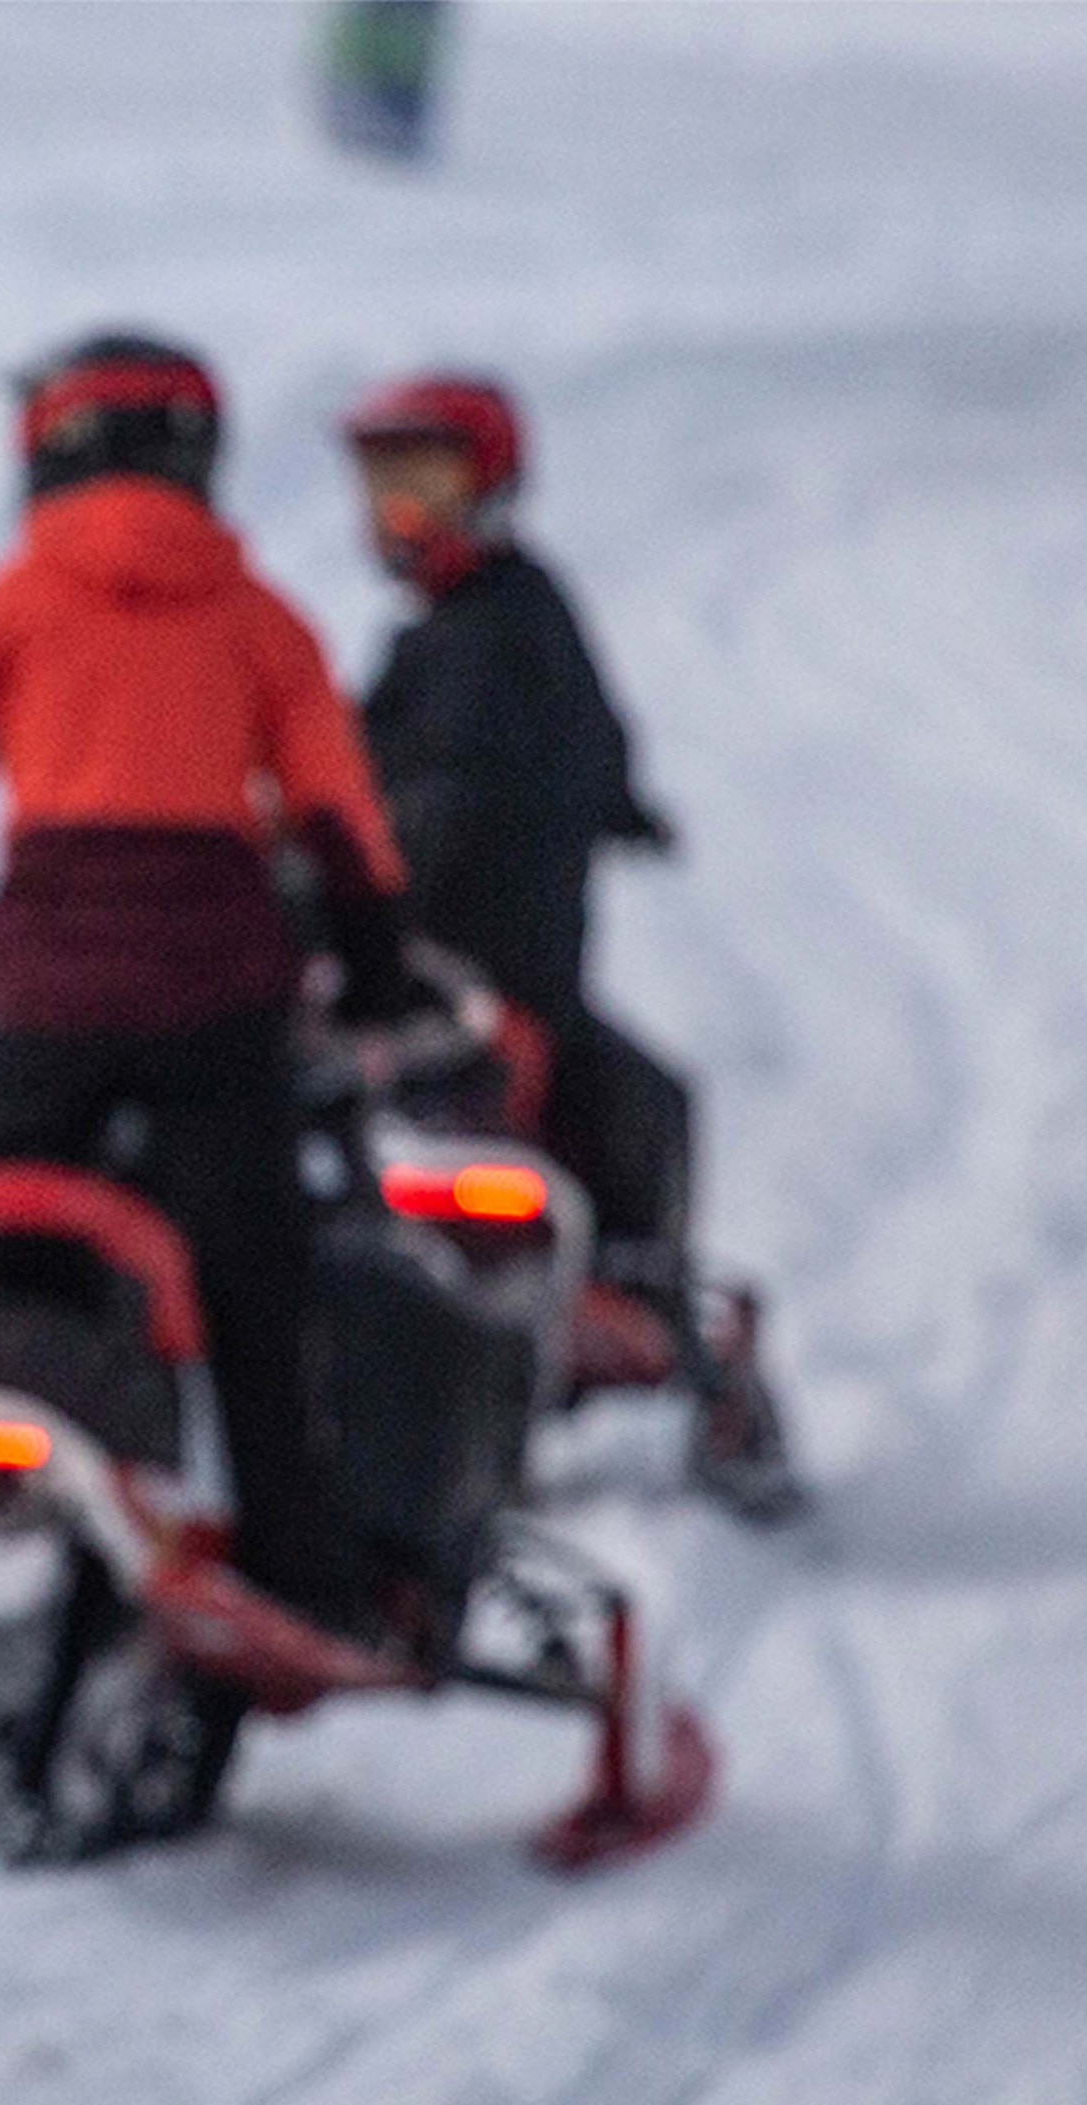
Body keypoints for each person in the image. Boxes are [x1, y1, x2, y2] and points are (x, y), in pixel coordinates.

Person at [0, 331, 431, 1625]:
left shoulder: (10, 602)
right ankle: (297, 1560)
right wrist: (380, 968)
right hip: (215, 1003)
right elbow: (342, 818)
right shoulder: (258, 617)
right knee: (254, 1277)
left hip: (43, 998)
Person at [338, 373, 794, 1515]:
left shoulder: (505, 623)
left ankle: (639, 1322)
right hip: (397, 972)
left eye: (426, 483)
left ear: (490, 484)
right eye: (384, 485)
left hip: (484, 972)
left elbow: (563, 736)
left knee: (627, 1111)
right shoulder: (449, 633)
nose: (403, 512)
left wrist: (608, 802)